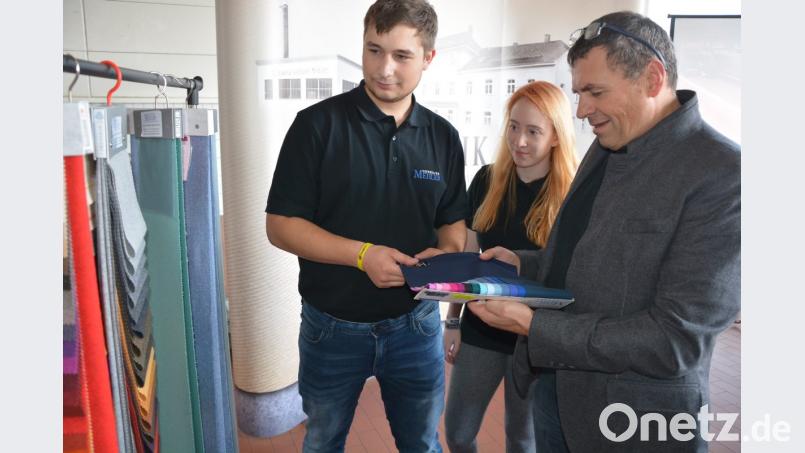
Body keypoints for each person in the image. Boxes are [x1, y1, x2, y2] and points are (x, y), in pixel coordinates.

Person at [468, 11, 740, 453]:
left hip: (632, 421)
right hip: (553, 395)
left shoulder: (726, 176)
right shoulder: (606, 145)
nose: (580, 110)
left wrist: (536, 327)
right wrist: (525, 262)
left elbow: (676, 340)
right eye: (579, 93)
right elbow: (585, 256)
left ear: (652, 78)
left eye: (595, 92)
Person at [264, 0, 466, 451]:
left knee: (422, 443)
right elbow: (280, 225)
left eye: (401, 55)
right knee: (322, 442)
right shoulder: (316, 127)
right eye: (374, 50)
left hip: (416, 326)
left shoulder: (443, 137)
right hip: (331, 328)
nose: (384, 68)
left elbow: (452, 221)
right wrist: (362, 255)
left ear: (429, 58)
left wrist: (445, 254)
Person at [443, 81, 578, 453]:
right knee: (457, 432)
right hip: (481, 329)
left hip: (535, 337)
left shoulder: (571, 193)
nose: (519, 141)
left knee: (522, 440)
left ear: (555, 136)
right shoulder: (487, 179)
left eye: (533, 131)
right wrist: (453, 321)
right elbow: (470, 259)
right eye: (514, 127)